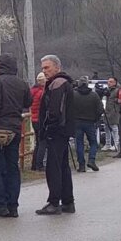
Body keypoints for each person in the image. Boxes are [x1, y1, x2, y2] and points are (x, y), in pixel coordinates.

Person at [0, 54, 32, 218]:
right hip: (15, 129)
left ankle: (0, 204)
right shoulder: (22, 83)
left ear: (0, 67)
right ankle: (13, 206)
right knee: (12, 168)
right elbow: (28, 103)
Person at [36, 55, 76, 215]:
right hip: (63, 130)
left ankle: (54, 202)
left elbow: (55, 111)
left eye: (47, 67)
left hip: (56, 131)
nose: (44, 71)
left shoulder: (57, 84)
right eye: (43, 68)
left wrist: (47, 127)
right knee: (63, 166)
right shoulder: (63, 83)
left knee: (53, 167)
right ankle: (68, 201)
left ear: (57, 67)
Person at [73, 76, 105, 172]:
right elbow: (100, 109)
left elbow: (68, 108)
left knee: (79, 143)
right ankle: (91, 160)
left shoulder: (74, 95)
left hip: (77, 122)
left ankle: (81, 165)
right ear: (87, 84)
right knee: (93, 142)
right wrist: (96, 119)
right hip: (90, 122)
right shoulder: (94, 95)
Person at [29, 73, 47, 171]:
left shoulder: (32, 90)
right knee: (42, 142)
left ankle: (34, 164)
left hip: (34, 119)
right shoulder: (42, 92)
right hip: (40, 119)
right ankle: (39, 164)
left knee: (38, 142)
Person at [104, 76, 121, 151]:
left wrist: (115, 100)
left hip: (114, 111)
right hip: (107, 111)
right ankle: (108, 144)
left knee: (114, 128)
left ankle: (116, 144)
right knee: (106, 128)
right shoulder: (107, 90)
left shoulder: (118, 90)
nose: (109, 83)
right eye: (108, 81)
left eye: (111, 82)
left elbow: (120, 100)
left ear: (115, 83)